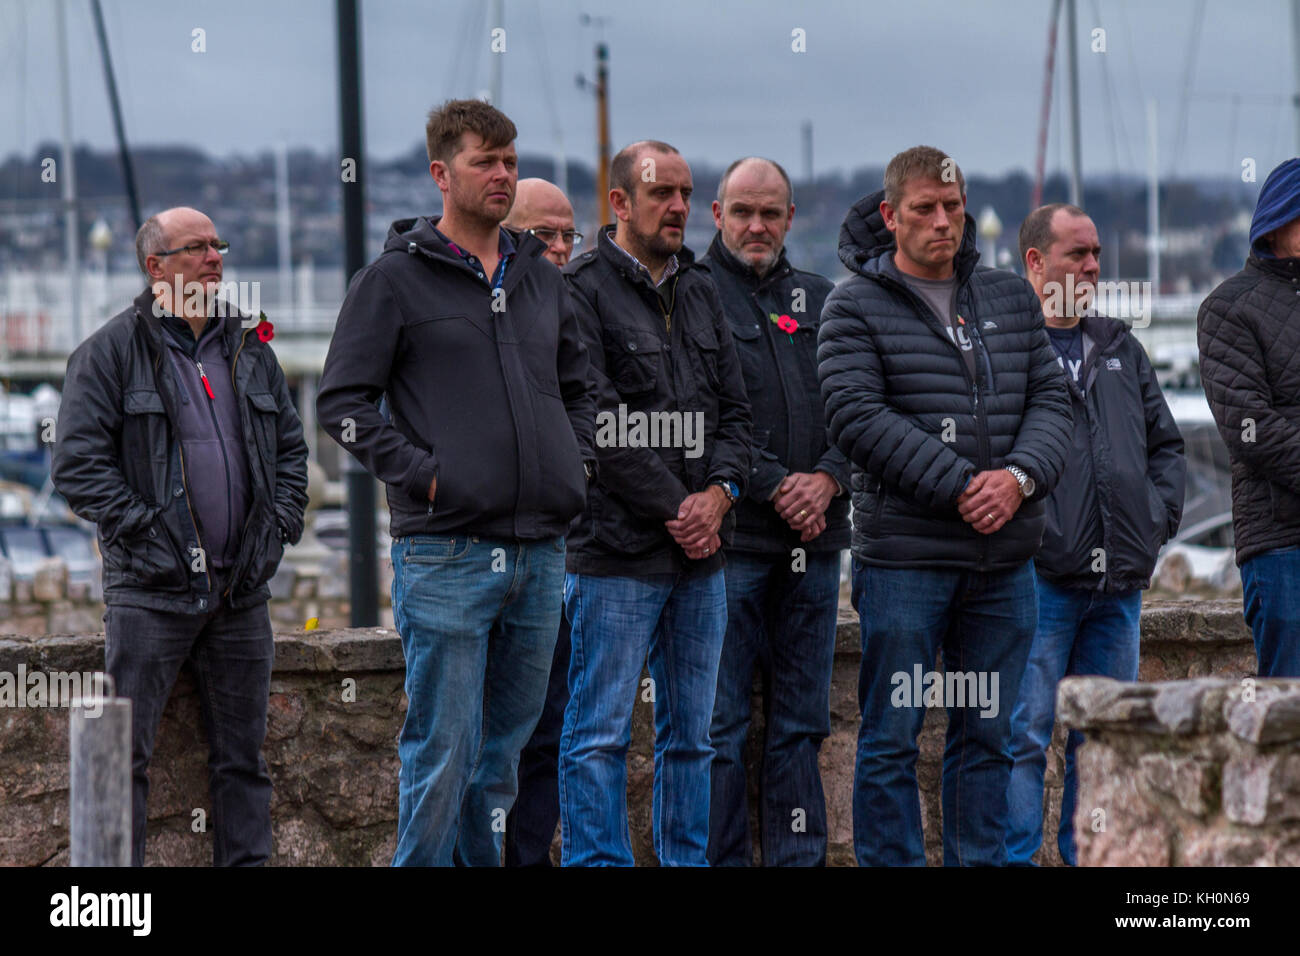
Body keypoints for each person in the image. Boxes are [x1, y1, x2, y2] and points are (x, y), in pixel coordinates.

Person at [317, 99, 596, 866]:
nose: (503, 174)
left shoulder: (539, 277)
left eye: (510, 160)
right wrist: (428, 478)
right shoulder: (394, 281)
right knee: (441, 756)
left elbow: (581, 390)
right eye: (486, 161)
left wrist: (573, 465)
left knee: (499, 764)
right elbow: (340, 406)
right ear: (443, 173)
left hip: (540, 553)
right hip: (445, 553)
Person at [817, 146, 1072, 866]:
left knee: (988, 735)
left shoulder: (1011, 298)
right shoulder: (853, 308)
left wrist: (1018, 478)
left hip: (1005, 562)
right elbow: (856, 417)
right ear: (890, 216)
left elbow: (1053, 401)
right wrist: (964, 485)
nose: (942, 222)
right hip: (907, 559)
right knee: (892, 735)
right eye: (925, 209)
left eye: (953, 207)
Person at [53, 205, 309, 866]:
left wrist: (277, 527)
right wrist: (150, 535)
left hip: (239, 593)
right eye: (195, 247)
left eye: (217, 244)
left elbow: (290, 452)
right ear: (155, 266)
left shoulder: (249, 349)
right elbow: (78, 468)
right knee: (121, 757)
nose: (214, 257)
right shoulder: (109, 353)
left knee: (243, 762)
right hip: (150, 592)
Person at [559, 139, 752, 866]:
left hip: (702, 562)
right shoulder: (580, 291)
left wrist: (722, 494)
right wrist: (683, 509)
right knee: (599, 736)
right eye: (660, 193)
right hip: (616, 556)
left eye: (684, 192)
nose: (677, 207)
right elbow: (599, 424)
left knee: (693, 738)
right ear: (619, 202)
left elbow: (737, 413)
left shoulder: (701, 288)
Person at [1006, 203, 1185, 866]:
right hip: (1039, 581)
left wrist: (1154, 519)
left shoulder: (1120, 347)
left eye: (1096, 255)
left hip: (1119, 588)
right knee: (1023, 738)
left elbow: (1167, 446)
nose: (1091, 267)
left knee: (1104, 740)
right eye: (1076, 254)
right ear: (1035, 262)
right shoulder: (1006, 347)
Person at [696, 157, 849, 866]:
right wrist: (775, 484)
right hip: (729, 550)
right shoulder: (693, 298)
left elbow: (862, 409)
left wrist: (827, 479)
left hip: (816, 551)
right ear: (716, 214)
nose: (756, 226)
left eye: (770, 213)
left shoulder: (826, 302)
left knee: (799, 726)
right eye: (741, 212)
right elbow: (693, 417)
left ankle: (798, 859)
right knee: (718, 728)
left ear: (791, 218)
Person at [498, 177, 582, 867]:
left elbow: (589, 411)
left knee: (550, 733)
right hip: (475, 558)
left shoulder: (569, 307)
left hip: (561, 557)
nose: (557, 249)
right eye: (540, 236)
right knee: (473, 742)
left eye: (566, 236)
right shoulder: (481, 308)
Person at [1200, 157, 1300, 678]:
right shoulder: (1228, 309)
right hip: (1281, 540)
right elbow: (1251, 428)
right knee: (1289, 711)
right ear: (1280, 220)